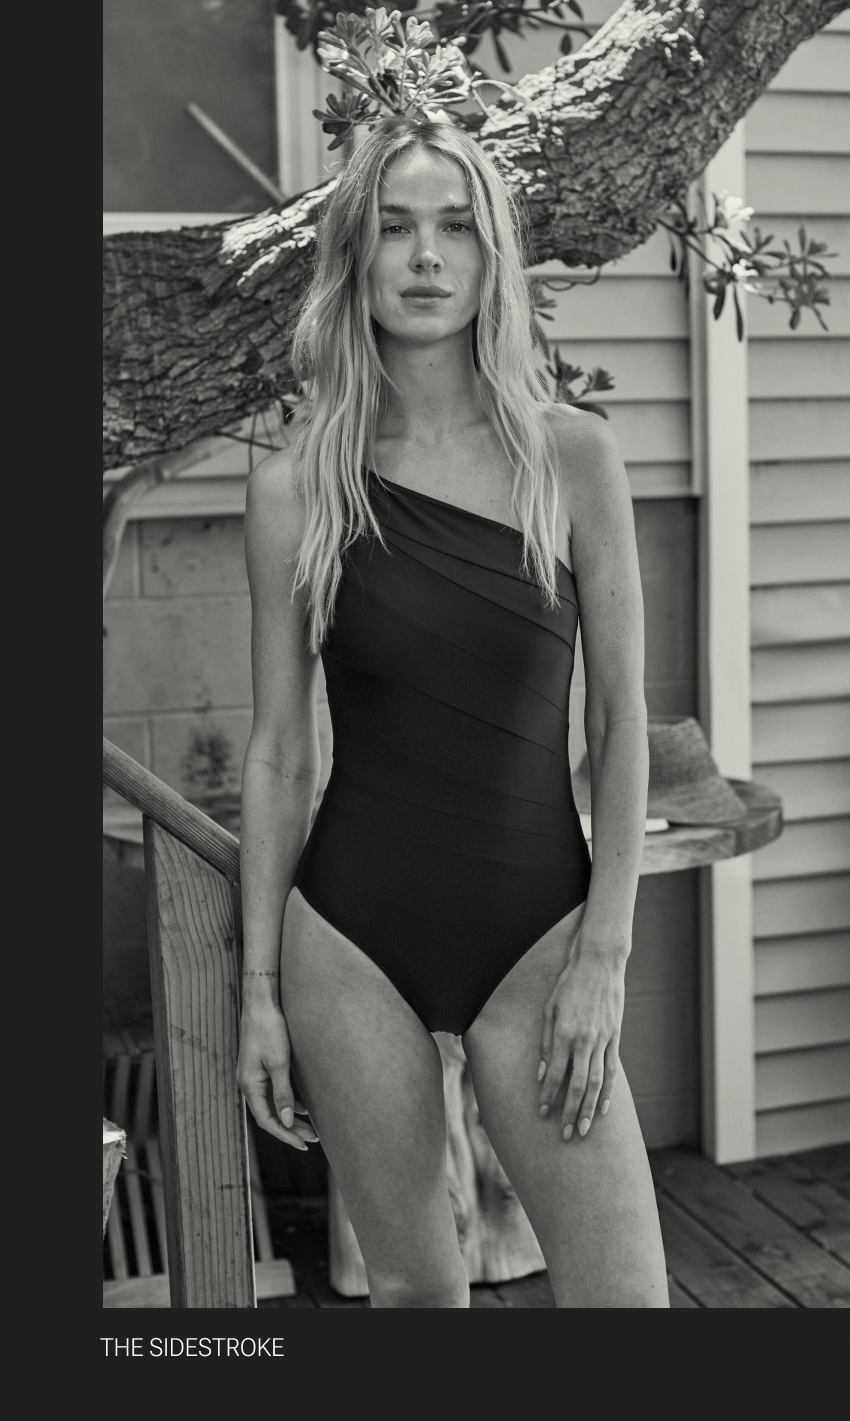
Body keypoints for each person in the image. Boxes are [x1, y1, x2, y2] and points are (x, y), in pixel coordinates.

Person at [236, 115, 669, 1308]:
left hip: (539, 932)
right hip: (351, 937)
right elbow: (278, 755)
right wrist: (260, 990)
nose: (426, 256)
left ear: (492, 259)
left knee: (626, 1302)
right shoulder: (294, 488)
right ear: (355, 257)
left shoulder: (573, 458)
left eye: (456, 228)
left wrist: (604, 952)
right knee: (417, 1299)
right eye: (394, 228)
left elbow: (619, 722)